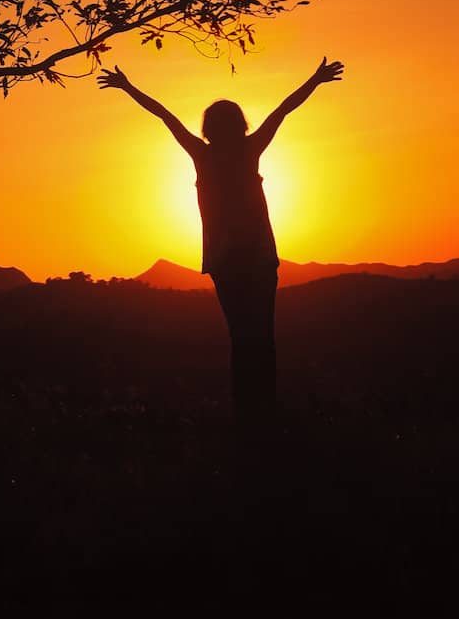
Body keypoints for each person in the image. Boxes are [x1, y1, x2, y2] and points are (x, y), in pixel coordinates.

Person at [98, 56, 344, 424]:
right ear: (240, 126)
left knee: (242, 337)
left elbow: (166, 116)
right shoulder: (248, 150)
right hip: (256, 258)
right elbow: (283, 110)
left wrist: (128, 86)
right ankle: (262, 413)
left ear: (209, 129)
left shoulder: (203, 154)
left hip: (228, 259)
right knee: (261, 336)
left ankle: (248, 413)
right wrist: (315, 79)